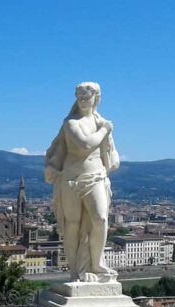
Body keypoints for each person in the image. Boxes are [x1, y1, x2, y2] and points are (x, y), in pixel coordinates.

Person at [44, 82, 120, 283]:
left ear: (97, 98)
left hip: (95, 176)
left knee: (100, 219)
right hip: (70, 180)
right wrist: (105, 131)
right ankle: (77, 270)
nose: (83, 101)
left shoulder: (100, 121)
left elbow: (113, 159)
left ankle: (96, 265)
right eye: (80, 97)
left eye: (87, 97)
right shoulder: (71, 122)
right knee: (73, 225)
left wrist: (106, 136)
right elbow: (84, 145)